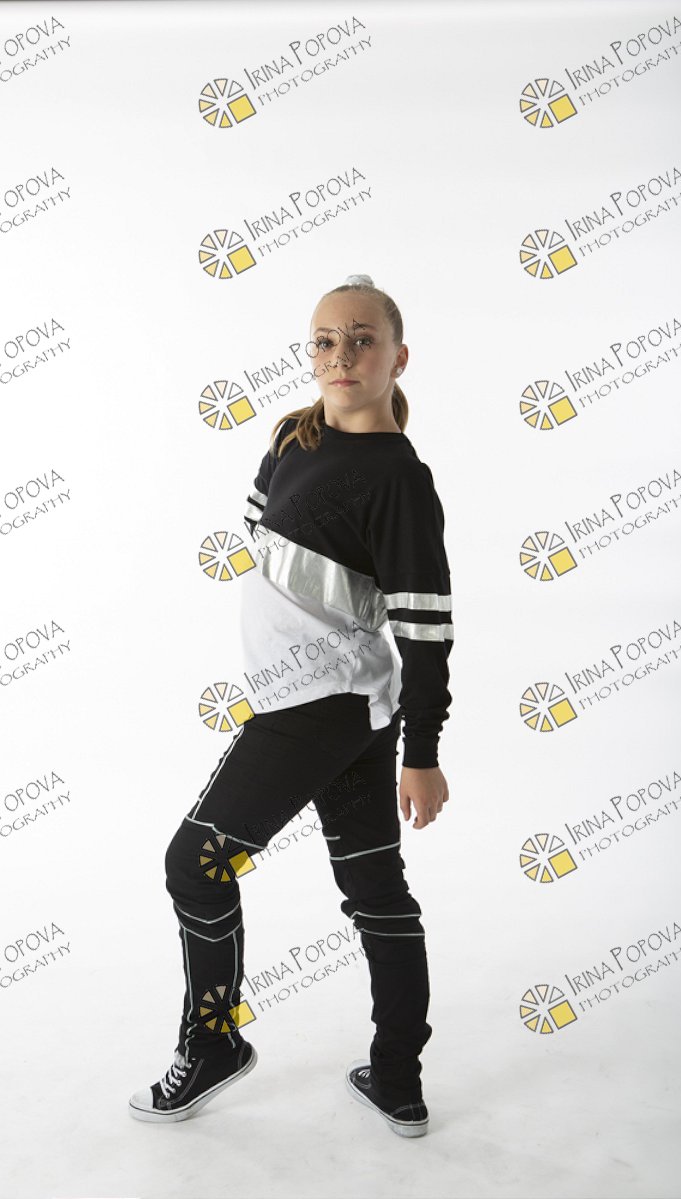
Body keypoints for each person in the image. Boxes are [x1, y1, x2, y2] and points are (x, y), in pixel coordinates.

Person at [128, 274, 454, 1138]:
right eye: (325, 341)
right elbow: (268, 550)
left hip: (320, 709)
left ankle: (214, 1044)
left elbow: (426, 629)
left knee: (193, 864)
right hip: (331, 706)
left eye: (362, 339)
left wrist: (423, 752)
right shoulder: (289, 438)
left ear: (398, 357)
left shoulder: (400, 479)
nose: (341, 355)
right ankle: (397, 1080)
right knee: (376, 888)